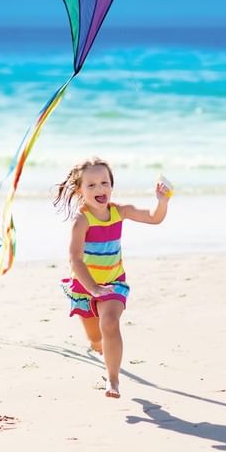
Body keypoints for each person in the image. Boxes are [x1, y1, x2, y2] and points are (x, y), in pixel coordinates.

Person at [53, 157, 170, 398]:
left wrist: (162, 201)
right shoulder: (82, 220)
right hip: (85, 284)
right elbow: (75, 259)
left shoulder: (119, 211)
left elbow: (154, 217)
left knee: (109, 323)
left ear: (112, 185)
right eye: (92, 185)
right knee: (95, 336)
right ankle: (96, 344)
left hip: (114, 281)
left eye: (105, 182)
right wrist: (93, 288)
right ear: (79, 190)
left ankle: (113, 379)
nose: (100, 189)